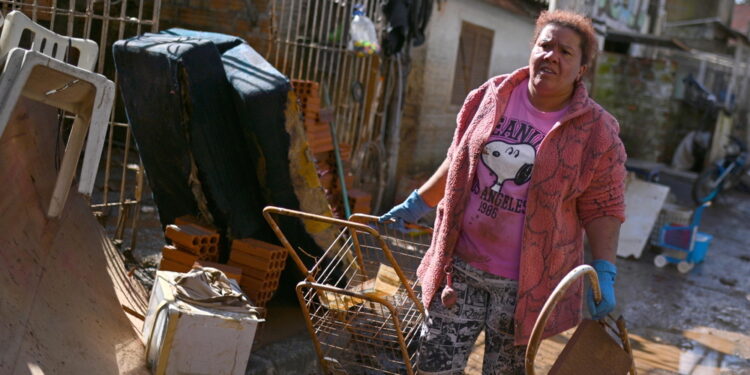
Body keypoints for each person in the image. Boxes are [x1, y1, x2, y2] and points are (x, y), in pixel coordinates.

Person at [380, 10, 626, 374]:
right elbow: (459, 160)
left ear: (582, 69)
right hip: (459, 270)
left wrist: (604, 270)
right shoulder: (492, 96)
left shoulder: (596, 131)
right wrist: (418, 203)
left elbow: (602, 206)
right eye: (545, 45)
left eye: (566, 52)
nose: (552, 56)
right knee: (433, 368)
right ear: (532, 50)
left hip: (526, 288)